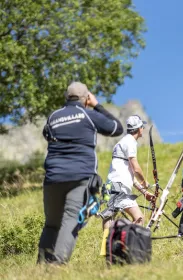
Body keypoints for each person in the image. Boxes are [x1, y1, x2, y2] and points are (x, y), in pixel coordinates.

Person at [37, 82, 124, 264]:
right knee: (71, 219)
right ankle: (57, 266)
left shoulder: (54, 116)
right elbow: (117, 128)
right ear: (86, 98)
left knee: (51, 224)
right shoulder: (88, 114)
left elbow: (47, 134)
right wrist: (96, 105)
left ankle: (41, 266)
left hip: (52, 178)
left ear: (66, 97)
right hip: (79, 176)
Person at [101, 115, 155, 228]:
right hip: (121, 187)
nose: (143, 129)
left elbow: (129, 174)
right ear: (139, 128)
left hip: (112, 184)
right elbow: (135, 168)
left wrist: (144, 192)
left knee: (109, 216)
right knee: (139, 218)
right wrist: (145, 183)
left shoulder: (123, 142)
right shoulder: (130, 142)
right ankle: (126, 240)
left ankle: (107, 242)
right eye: (142, 127)